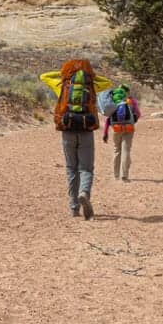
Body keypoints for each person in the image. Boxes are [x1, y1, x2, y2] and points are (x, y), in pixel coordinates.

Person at [39, 60, 112, 219]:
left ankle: (74, 207)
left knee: (71, 168)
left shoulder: (61, 85)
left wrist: (64, 75)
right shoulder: (92, 85)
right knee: (86, 168)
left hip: (68, 129)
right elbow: (107, 82)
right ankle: (84, 192)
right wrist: (90, 76)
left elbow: (43, 76)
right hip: (86, 129)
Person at [102, 84, 141, 182]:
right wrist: (132, 120)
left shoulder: (114, 101)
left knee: (117, 150)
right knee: (126, 150)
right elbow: (138, 114)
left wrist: (105, 133)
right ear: (127, 92)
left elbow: (107, 120)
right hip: (129, 128)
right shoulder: (131, 101)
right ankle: (125, 175)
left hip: (116, 129)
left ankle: (116, 176)